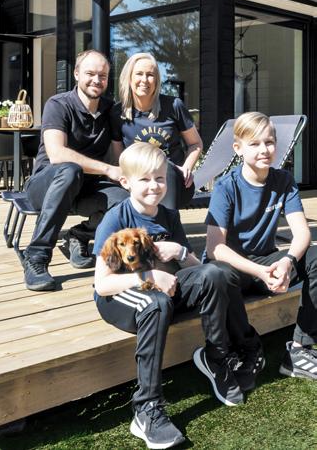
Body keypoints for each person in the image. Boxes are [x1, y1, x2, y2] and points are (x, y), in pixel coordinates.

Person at [93, 142, 258, 449]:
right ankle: (147, 408)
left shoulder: (169, 215)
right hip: (122, 297)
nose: (154, 186)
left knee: (217, 272)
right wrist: (149, 276)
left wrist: (181, 251)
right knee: (155, 302)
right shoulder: (116, 218)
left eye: (160, 178)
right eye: (145, 179)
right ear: (126, 182)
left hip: (165, 290)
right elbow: (102, 285)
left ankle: (217, 359)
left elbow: (195, 269)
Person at [206, 111, 317, 381]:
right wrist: (259, 271)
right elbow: (215, 248)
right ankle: (245, 347)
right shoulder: (226, 186)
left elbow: (302, 233)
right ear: (238, 148)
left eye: (269, 142)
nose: (264, 150)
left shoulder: (283, 181)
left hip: (268, 263)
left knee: (315, 256)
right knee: (220, 273)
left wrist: (288, 261)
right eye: (254, 144)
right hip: (234, 270)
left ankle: (299, 349)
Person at [23, 50, 129, 292]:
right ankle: (36, 256)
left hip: (85, 189)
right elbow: (57, 154)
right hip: (46, 185)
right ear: (77, 74)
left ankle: (80, 234)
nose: (96, 80)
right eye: (90, 73)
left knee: (124, 200)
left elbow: (117, 156)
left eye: (102, 76)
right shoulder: (58, 104)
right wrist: (108, 169)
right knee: (70, 170)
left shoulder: (109, 110)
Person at [110, 52, 203, 210]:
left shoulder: (174, 106)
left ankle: (167, 224)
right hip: (139, 184)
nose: (145, 80)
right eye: (139, 74)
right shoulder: (117, 113)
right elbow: (120, 159)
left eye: (150, 75)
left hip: (172, 181)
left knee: (166, 167)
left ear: (157, 80)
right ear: (129, 78)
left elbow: (195, 143)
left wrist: (186, 168)